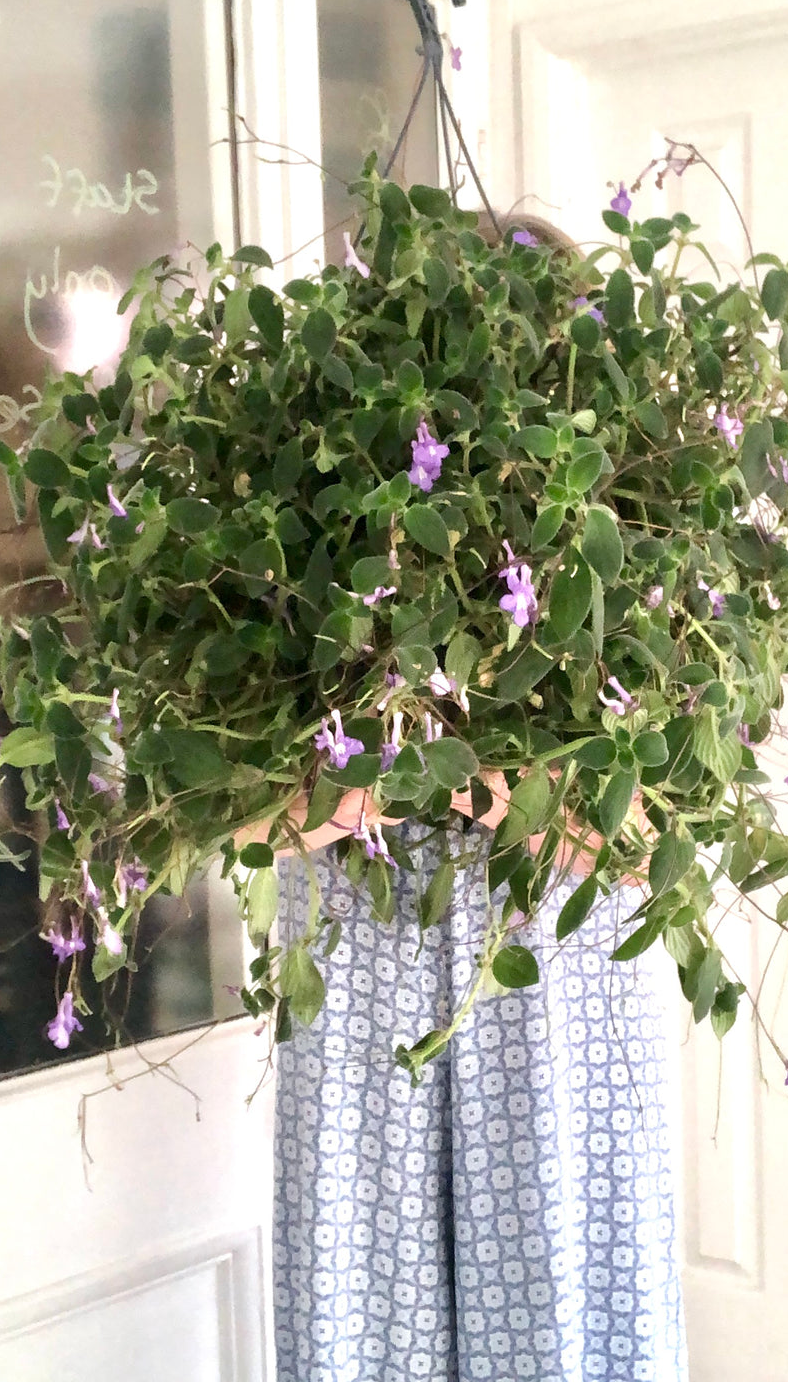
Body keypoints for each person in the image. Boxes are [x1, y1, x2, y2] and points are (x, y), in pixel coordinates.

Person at [261, 214, 689, 1382]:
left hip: (561, 984)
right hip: (361, 969)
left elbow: (666, 853)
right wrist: (346, 797)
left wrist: (516, 796)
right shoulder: (323, 544)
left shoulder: (635, 550)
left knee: (563, 1299)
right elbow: (222, 818)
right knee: (359, 1301)